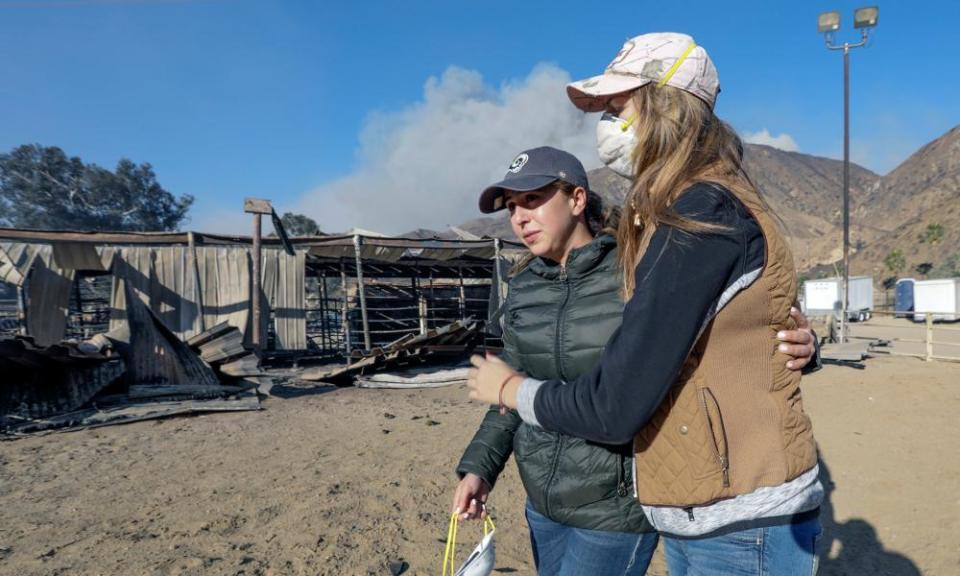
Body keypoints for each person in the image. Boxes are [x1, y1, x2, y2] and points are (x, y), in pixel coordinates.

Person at [466, 33, 824, 576]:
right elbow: (721, 330)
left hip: (729, 516)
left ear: (668, 104)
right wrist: (482, 463)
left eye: (617, 106)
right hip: (678, 503)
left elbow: (617, 402)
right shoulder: (662, 218)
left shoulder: (699, 213)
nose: (607, 125)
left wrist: (512, 392)